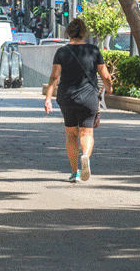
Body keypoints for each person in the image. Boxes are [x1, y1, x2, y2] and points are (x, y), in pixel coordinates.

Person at [44, 18, 113, 183]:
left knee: (71, 134)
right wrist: (109, 88)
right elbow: (105, 75)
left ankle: (75, 172)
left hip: (67, 97)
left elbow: (54, 77)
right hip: (88, 97)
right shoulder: (93, 51)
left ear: (68, 33)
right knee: (86, 132)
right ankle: (85, 157)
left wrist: (48, 98)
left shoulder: (62, 52)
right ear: (84, 33)